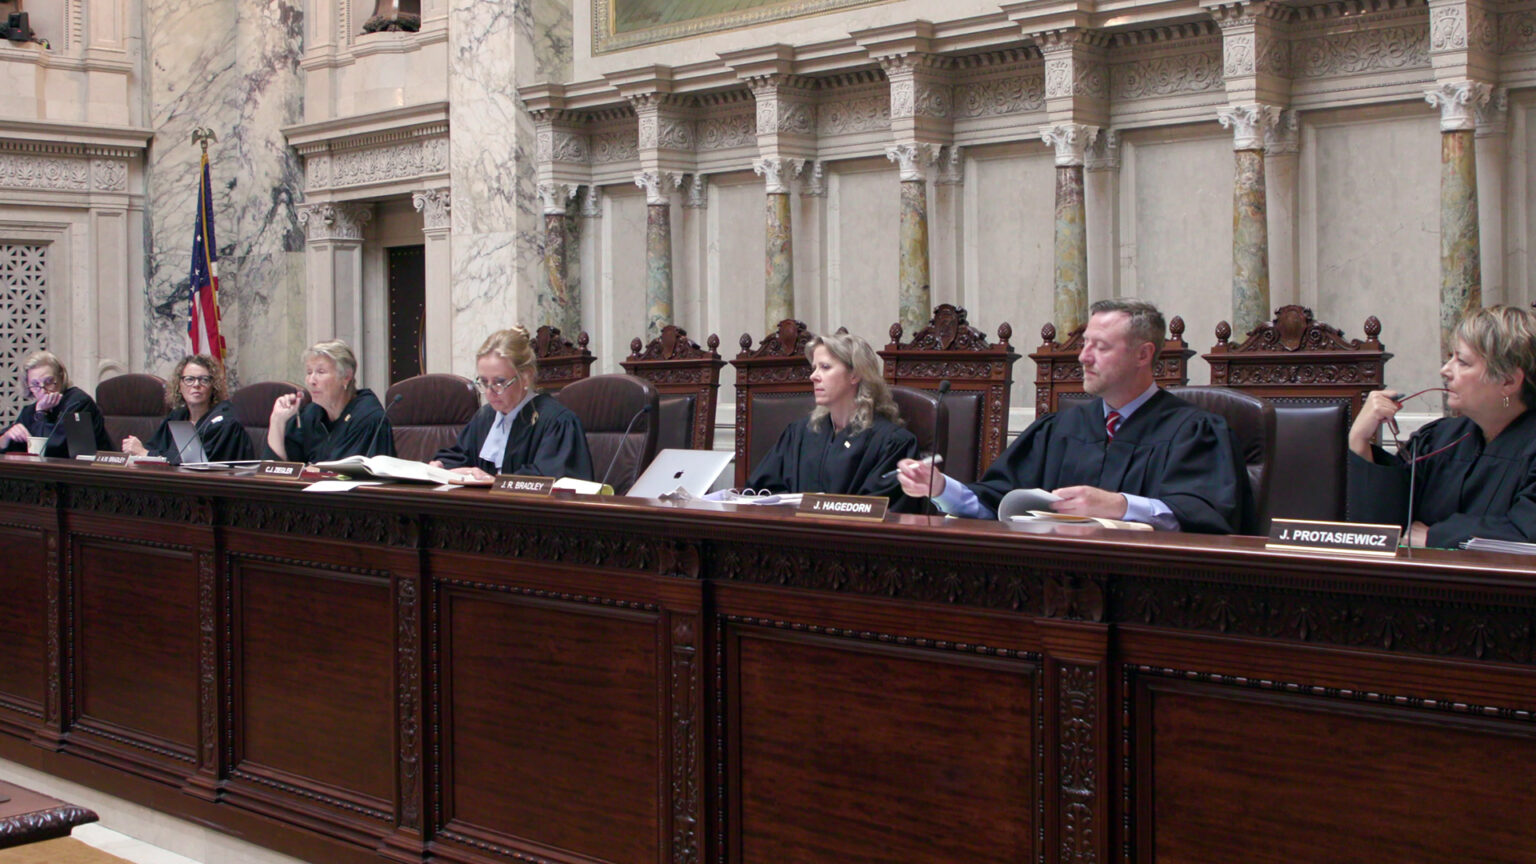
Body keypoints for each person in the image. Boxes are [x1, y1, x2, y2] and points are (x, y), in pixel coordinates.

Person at [897, 298, 1245, 533]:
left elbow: (1208, 518)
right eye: (1084, 344)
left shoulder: (1194, 432)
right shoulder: (1059, 428)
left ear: (1143, 354)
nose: (1083, 357)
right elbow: (998, 502)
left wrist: (1121, 506)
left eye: (1101, 347)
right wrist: (942, 488)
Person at [1349, 305, 1536, 548]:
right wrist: (1359, 439)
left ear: (1508, 380)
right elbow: (1387, 524)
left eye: (1463, 362)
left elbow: (1525, 533)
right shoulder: (1440, 438)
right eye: (1451, 357)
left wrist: (1435, 537)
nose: (1445, 370)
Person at [745, 331, 921, 511]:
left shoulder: (892, 443)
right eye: (814, 368)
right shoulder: (798, 434)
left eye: (825, 367)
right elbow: (758, 491)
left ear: (855, 375)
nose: (813, 376)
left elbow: (885, 515)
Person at [430, 326, 593, 481]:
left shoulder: (558, 422)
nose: (489, 392)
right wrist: (443, 466)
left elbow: (550, 480)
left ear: (526, 377)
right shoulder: (486, 417)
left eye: (499, 382)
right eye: (484, 382)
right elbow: (459, 455)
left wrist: (494, 482)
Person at [265, 339, 394, 463]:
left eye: (321, 372)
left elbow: (345, 475)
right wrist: (277, 420)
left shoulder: (368, 418)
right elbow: (277, 469)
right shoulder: (310, 415)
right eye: (309, 372)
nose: (311, 380)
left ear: (346, 377)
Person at [121, 355, 254, 464]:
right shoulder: (177, 417)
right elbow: (155, 447)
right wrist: (139, 451)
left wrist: (146, 454)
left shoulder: (225, 422)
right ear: (179, 385)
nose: (196, 385)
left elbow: (197, 464)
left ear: (214, 386)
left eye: (204, 380)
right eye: (189, 379)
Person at [1, 350, 112, 457]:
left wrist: (41, 413)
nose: (43, 390)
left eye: (49, 382)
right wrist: (6, 439)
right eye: (35, 384)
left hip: (90, 471)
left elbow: (49, 450)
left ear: (61, 377)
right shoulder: (30, 411)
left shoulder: (79, 402)